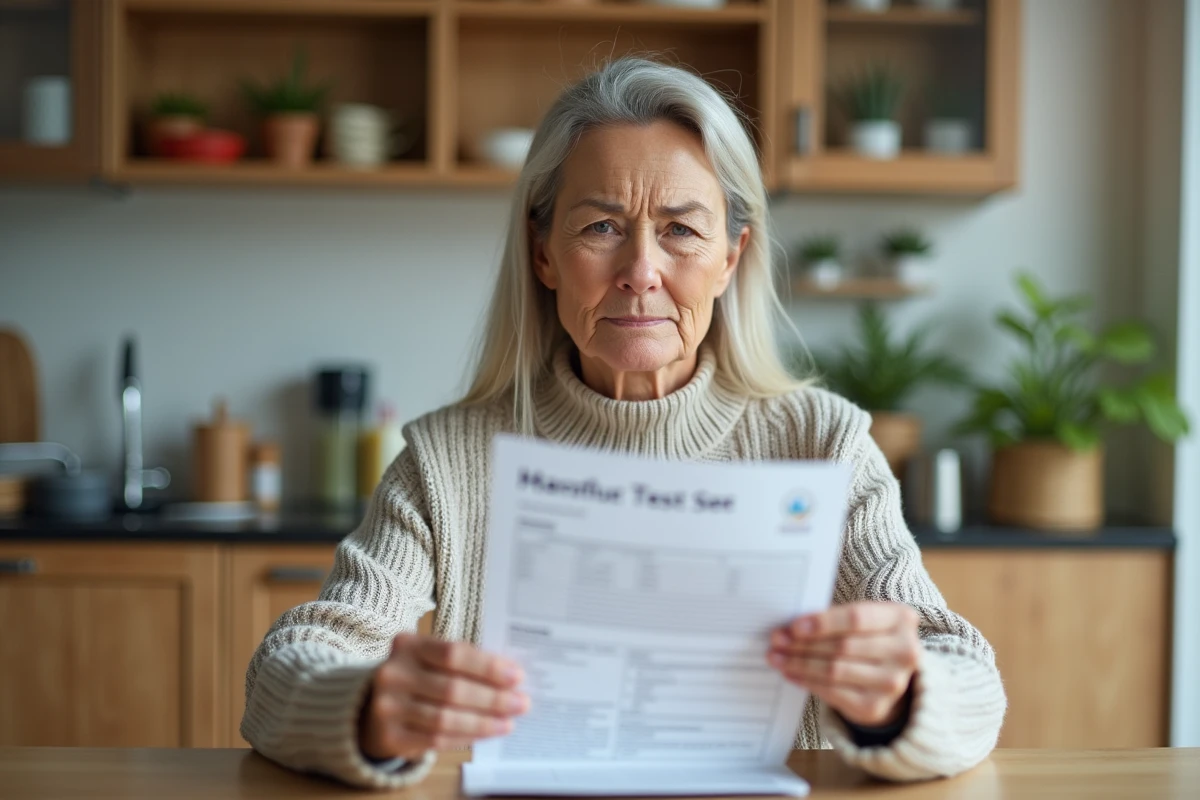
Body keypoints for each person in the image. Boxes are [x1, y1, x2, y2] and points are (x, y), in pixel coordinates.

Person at [242, 56, 1005, 789]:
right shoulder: (449, 460)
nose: (641, 270)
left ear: (731, 258)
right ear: (543, 253)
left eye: (681, 230)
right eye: (602, 227)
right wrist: (369, 708)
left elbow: (966, 674)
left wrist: (902, 695)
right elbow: (289, 667)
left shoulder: (823, 448)